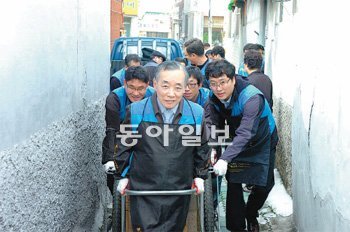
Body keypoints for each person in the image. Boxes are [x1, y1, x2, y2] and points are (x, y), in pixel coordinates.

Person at [115, 61, 210, 231]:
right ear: (155, 84)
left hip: (179, 188)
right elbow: (124, 146)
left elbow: (201, 148)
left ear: (185, 87)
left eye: (178, 87)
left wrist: (200, 176)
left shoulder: (196, 113)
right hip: (144, 189)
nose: (171, 94)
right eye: (165, 86)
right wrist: (123, 175)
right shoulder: (136, 111)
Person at [205, 59, 278, 232]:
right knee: (234, 182)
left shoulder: (252, 97)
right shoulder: (212, 97)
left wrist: (225, 158)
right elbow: (212, 124)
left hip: (262, 139)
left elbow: (247, 132)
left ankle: (251, 213)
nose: (219, 88)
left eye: (223, 82)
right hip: (235, 138)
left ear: (233, 79)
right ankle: (237, 227)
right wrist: (213, 148)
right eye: (213, 84)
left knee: (264, 185)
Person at [102, 66, 155, 195]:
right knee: (114, 173)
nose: (136, 93)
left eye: (141, 88)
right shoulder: (114, 98)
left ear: (147, 85)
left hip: (147, 140)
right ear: (125, 83)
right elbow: (112, 130)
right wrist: (110, 158)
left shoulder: (154, 96)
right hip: (120, 140)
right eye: (131, 87)